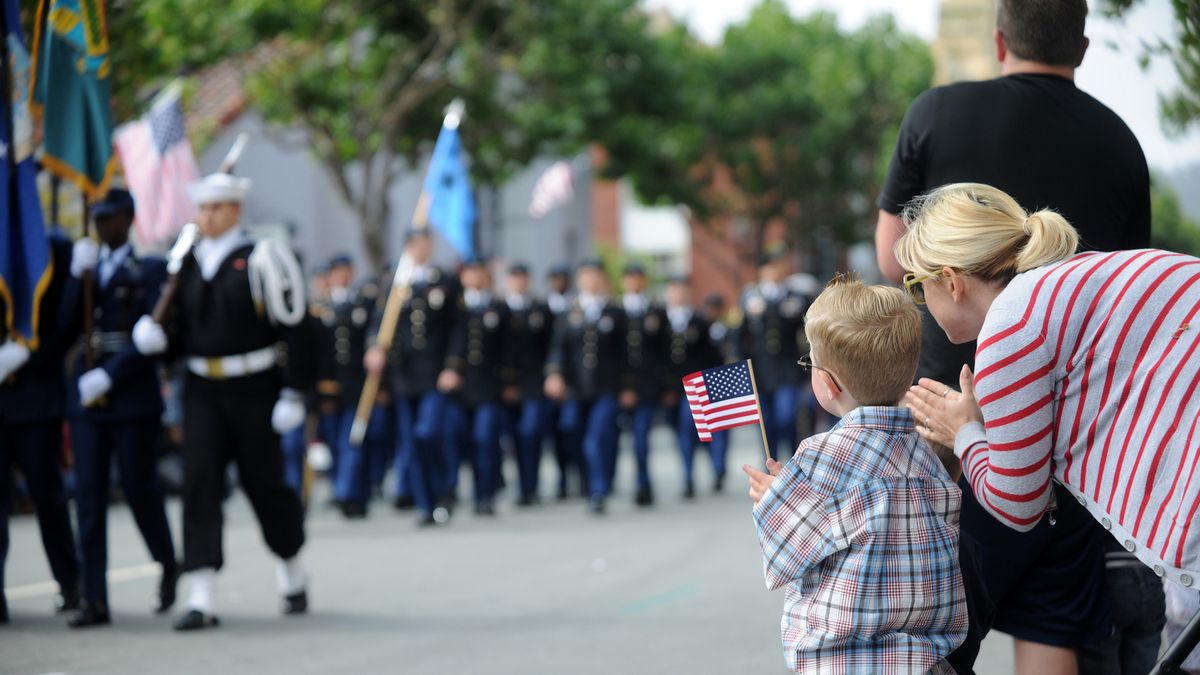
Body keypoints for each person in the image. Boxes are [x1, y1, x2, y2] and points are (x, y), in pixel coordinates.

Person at [874, 2, 1152, 671]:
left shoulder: (935, 112)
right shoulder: (1120, 139)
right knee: (1051, 624)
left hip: (951, 428)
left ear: (1000, 40)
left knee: (928, 636)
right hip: (1074, 441)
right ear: (1082, 47)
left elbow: (891, 256)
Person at [900, 183, 1200, 673]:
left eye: (917, 286)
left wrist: (965, 432)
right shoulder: (1071, 281)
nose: (921, 301)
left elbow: (1018, 506)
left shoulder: (1010, 324)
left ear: (950, 281)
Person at [744, 276, 967, 673]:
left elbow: (786, 556)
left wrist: (774, 499)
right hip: (924, 660)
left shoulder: (819, 455)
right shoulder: (929, 451)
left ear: (827, 384)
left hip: (846, 661)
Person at [131, 173, 312, 630]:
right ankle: (202, 592)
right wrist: (159, 340)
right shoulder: (187, 262)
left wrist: (293, 390)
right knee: (199, 483)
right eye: (202, 209)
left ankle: (291, 565)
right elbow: (181, 331)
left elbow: (295, 327)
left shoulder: (262, 258)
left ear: (235, 210)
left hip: (255, 387)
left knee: (265, 485)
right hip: (202, 390)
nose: (205, 217)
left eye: (215, 209)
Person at [60, 189, 178, 627]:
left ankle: (167, 562)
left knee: (138, 488)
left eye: (109, 218)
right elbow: (67, 326)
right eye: (97, 218)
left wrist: (111, 375)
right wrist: (76, 278)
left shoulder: (147, 269)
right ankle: (94, 598)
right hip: (88, 400)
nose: (101, 226)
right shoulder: (88, 270)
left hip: (130, 396)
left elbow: (150, 337)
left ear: (127, 219)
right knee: (88, 496)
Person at [0, 232, 81, 624]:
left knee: (46, 497)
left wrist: (27, 356)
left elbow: (67, 323)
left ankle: (70, 583)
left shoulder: (47, 241)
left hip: (36, 395)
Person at [363, 229, 465, 526]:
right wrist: (374, 348)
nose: (420, 249)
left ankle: (445, 489)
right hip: (404, 375)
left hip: (435, 374)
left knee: (429, 432)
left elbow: (459, 328)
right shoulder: (395, 283)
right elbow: (378, 323)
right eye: (414, 244)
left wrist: (453, 367)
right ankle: (425, 503)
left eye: (424, 244)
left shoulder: (444, 281)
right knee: (411, 440)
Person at [544, 259, 624, 514]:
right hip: (577, 389)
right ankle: (588, 480)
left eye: (594, 275)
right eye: (585, 275)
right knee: (572, 434)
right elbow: (559, 348)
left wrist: (628, 385)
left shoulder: (614, 312)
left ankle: (598, 490)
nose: (590, 280)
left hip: (606, 388)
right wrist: (555, 374)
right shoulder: (570, 313)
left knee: (596, 437)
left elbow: (626, 354)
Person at [445, 258, 509, 515]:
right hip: (459, 387)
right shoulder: (454, 306)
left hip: (488, 387)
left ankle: (485, 494)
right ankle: (450, 490)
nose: (473, 277)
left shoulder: (497, 307)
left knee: (485, 439)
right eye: (469, 272)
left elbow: (508, 348)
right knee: (456, 440)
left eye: (478, 272)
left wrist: (507, 381)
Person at [735, 249, 812, 461]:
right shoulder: (750, 296)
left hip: (787, 368)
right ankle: (771, 466)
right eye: (772, 266)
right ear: (762, 270)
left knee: (786, 418)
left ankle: (792, 462)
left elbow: (806, 330)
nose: (777, 270)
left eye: (780, 265)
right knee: (766, 424)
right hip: (760, 369)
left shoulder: (794, 296)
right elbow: (740, 335)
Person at [664, 277, 729, 497]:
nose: (678, 295)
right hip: (670, 388)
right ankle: (690, 473)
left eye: (682, 291)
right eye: (674, 290)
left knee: (692, 428)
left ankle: (692, 476)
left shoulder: (700, 322)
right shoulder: (660, 319)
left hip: (695, 386)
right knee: (680, 432)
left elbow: (711, 355)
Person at [500, 263, 554, 506]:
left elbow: (551, 346)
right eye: (514, 277)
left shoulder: (539, 309)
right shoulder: (499, 309)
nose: (518, 282)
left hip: (533, 383)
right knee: (511, 438)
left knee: (530, 433)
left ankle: (530, 486)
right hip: (506, 384)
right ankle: (517, 486)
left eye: (522, 277)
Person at [615, 263, 668, 507]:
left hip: (647, 388)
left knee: (640, 439)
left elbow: (663, 352)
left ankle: (643, 484)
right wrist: (623, 386)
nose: (634, 282)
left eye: (638, 278)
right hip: (619, 388)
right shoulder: (614, 310)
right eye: (630, 278)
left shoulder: (655, 310)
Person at [543, 264, 581, 498]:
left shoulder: (577, 308)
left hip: (574, 382)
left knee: (572, 430)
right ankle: (562, 478)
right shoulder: (542, 307)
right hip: (549, 381)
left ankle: (580, 474)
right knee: (554, 434)